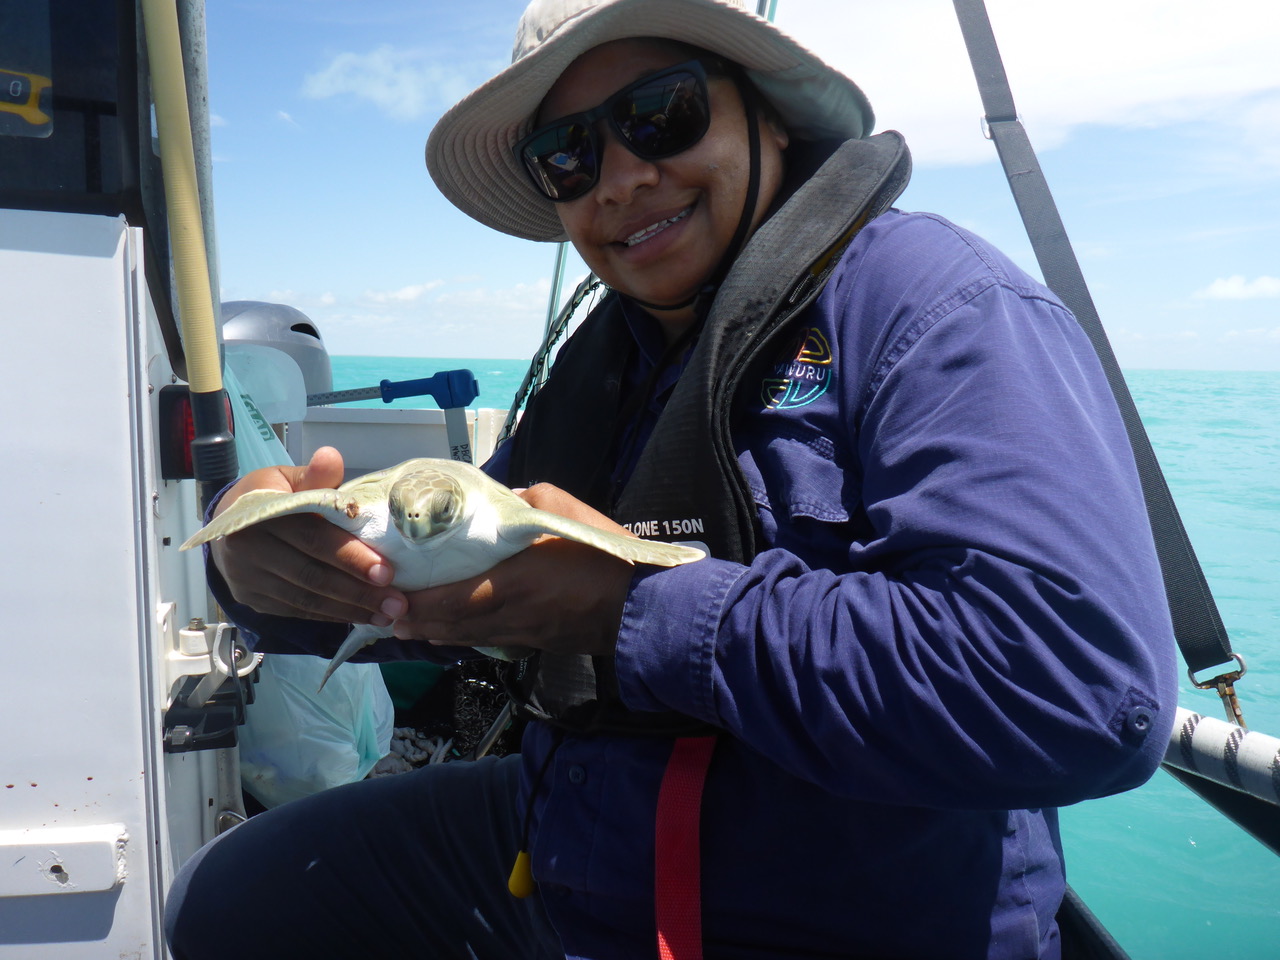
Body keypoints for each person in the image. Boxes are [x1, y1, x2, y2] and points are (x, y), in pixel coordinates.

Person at [165, 0, 1178, 957]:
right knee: (232, 900)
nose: (617, 179)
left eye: (659, 115)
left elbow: (1079, 691)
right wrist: (267, 568)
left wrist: (628, 609)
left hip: (828, 906)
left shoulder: (938, 308)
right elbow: (448, 570)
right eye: (565, 156)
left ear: (766, 117)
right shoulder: (606, 364)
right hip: (581, 848)